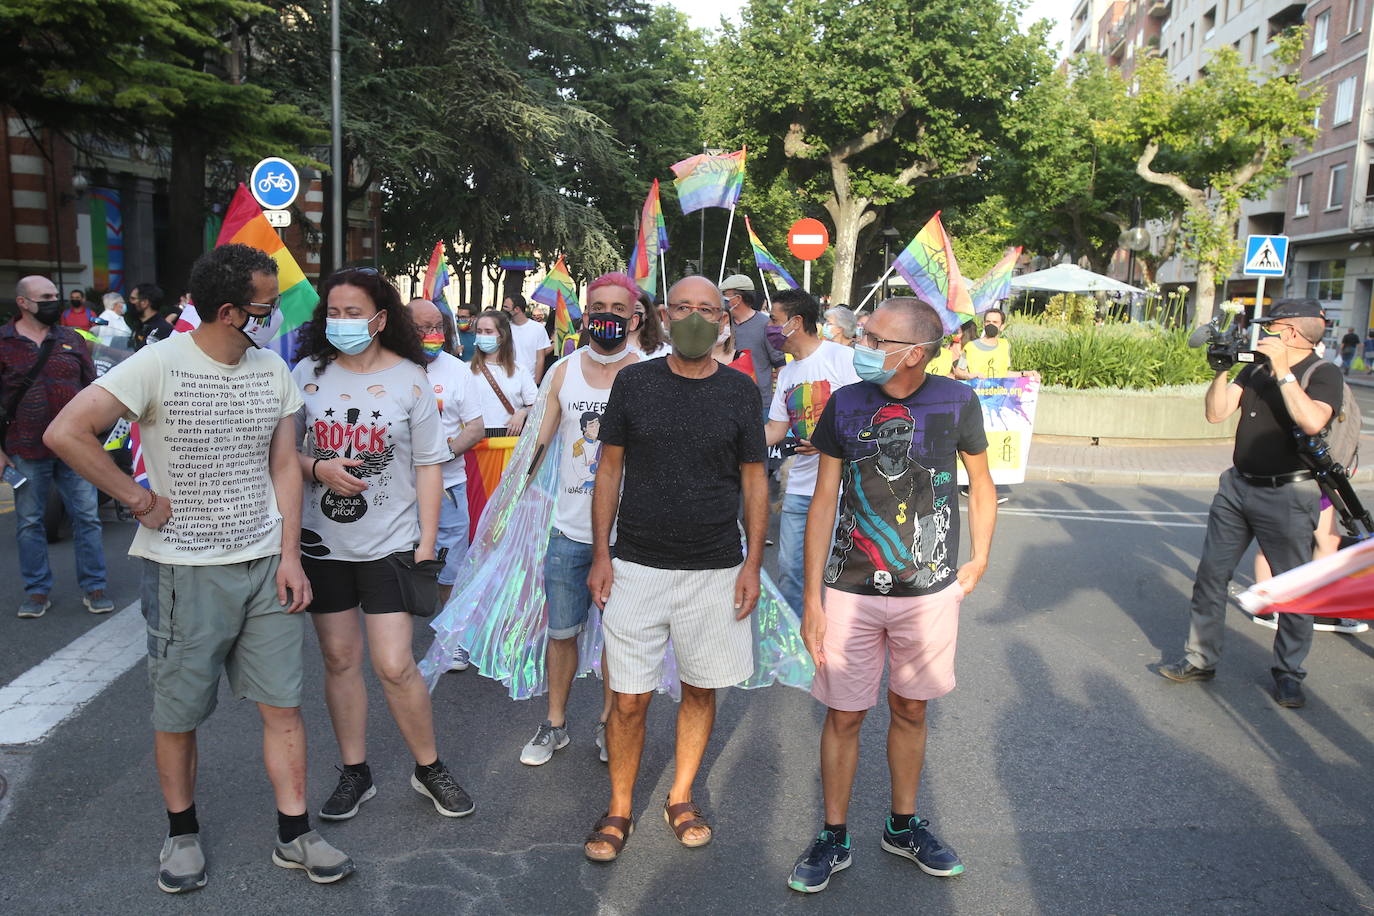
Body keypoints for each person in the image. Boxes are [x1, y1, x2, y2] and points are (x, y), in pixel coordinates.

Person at [43, 244, 353, 891]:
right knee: (178, 713)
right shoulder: (156, 364)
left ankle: (295, 835)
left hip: (266, 565)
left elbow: (282, 466)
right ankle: (181, 834)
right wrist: (134, 498)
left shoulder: (273, 370)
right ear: (229, 310)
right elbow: (66, 431)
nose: (275, 318)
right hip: (183, 573)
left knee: (284, 707)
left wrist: (291, 554)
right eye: (266, 308)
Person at [787, 297, 995, 894]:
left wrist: (979, 558)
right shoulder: (845, 403)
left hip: (927, 592)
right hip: (847, 589)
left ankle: (901, 826)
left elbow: (980, 484)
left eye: (874, 338)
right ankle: (833, 834)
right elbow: (824, 500)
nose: (860, 343)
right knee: (845, 713)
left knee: (910, 708)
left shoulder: (958, 401)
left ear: (913, 353)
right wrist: (811, 599)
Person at [581, 275, 768, 863]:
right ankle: (618, 807)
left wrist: (753, 564)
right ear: (665, 313)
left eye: (706, 309)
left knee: (699, 687)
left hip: (715, 568)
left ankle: (681, 795)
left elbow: (754, 481)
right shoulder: (634, 383)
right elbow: (608, 469)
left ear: (723, 320)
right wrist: (600, 554)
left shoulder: (740, 391)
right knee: (629, 699)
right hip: (635, 564)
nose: (694, 317)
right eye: (683, 306)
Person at [293, 267, 475, 823]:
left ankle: (429, 767)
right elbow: (283, 456)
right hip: (321, 544)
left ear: (379, 318)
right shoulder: (304, 373)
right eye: (334, 312)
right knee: (339, 659)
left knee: (395, 664)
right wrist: (318, 467)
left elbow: (429, 464)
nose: (341, 322)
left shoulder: (411, 378)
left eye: (354, 313)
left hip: (392, 542)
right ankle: (356, 772)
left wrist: (425, 540)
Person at [1161, 299, 1343, 710]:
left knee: (1292, 587)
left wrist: (1282, 372)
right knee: (1211, 575)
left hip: (1289, 493)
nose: (1262, 333)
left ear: (1292, 333)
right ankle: (1200, 659)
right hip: (1237, 486)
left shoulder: (1323, 373)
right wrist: (1221, 369)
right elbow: (1217, 412)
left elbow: (1313, 421)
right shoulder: (1254, 367)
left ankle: (1289, 673)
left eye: (1271, 326)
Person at [515, 272, 643, 767]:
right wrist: (509, 508)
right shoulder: (563, 372)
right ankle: (554, 724)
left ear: (635, 318)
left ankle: (609, 725)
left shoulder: (651, 372)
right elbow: (539, 443)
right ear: (585, 313)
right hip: (568, 530)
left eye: (617, 308)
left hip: (629, 538)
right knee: (561, 632)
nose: (606, 316)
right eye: (598, 306)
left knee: (620, 638)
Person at [1, 275, 111, 618]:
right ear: (23, 302)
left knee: (87, 517)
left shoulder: (72, 339)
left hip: (76, 448)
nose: (55, 301)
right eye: (45, 296)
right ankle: (36, 592)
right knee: (30, 521)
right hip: (26, 448)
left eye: (55, 295)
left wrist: (96, 435)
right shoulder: (3, 343)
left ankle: (95, 586)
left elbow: (93, 389)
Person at [764, 288, 860, 614]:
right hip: (799, 490)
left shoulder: (842, 359)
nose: (770, 328)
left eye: (774, 320)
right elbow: (775, 430)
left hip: (840, 492)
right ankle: (798, 652)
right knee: (790, 573)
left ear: (796, 322)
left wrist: (828, 441)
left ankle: (833, 647)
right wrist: (729, 436)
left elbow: (868, 415)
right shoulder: (788, 373)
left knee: (834, 577)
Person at [407, 298, 484, 618]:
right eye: (424, 328)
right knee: (397, 564)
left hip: (449, 487)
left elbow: (476, 428)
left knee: (451, 565)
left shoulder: (457, 370)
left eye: (438, 326)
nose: (433, 333)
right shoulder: (390, 367)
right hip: (399, 490)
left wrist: (439, 456)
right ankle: (396, 642)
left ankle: (451, 638)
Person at [721, 274, 786, 409]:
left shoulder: (766, 325)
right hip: (724, 402)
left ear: (737, 299)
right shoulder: (722, 325)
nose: (722, 300)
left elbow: (780, 365)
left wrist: (778, 401)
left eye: (725, 295)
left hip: (759, 405)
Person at [470, 309, 538, 436]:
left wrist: (522, 413)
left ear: (502, 335)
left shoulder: (520, 370)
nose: (483, 335)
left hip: (509, 439)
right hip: (475, 441)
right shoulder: (466, 370)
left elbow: (536, 404)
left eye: (488, 331)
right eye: (479, 332)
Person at [503, 292, 552, 383]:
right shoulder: (504, 328)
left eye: (506, 307)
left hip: (529, 381)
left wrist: (536, 384)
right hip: (507, 380)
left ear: (517, 309)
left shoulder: (537, 328)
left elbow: (540, 358)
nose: (503, 310)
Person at [129, 282, 174, 349]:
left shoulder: (163, 329)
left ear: (144, 303)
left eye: (133, 299)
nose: (130, 302)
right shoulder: (139, 326)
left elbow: (141, 355)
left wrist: (108, 350)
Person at [627, 290, 669, 358]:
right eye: (624, 308)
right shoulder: (608, 349)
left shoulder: (663, 351)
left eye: (637, 308)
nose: (632, 313)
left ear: (646, 313)